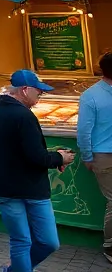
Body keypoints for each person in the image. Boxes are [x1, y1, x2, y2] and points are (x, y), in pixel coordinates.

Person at [0, 69, 71, 272]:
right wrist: (60, 157)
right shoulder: (24, 116)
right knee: (47, 242)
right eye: (38, 92)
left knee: (22, 241)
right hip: (32, 190)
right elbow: (37, 156)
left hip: (2, 188)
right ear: (25, 90)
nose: (40, 97)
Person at [79, 51, 112, 261]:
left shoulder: (90, 95)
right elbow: (83, 131)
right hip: (104, 156)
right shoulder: (91, 95)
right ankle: (110, 245)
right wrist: (87, 157)